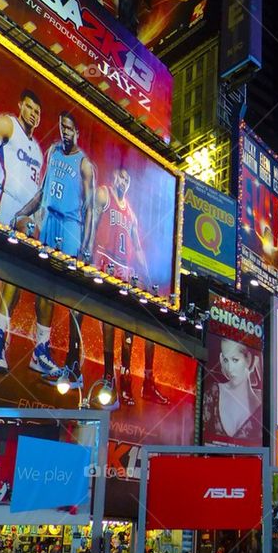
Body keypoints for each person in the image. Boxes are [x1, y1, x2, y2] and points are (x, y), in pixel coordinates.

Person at [0, 89, 62, 379]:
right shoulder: (7, 124)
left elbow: (37, 196)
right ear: (20, 106)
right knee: (14, 275)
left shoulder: (38, 153)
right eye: (29, 108)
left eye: (37, 111)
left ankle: (39, 350)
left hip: (27, 218)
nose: (33, 113)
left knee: (45, 284)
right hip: (5, 207)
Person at [13, 111, 96, 384]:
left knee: (72, 297)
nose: (65, 132)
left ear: (78, 132)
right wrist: (20, 213)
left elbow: (91, 209)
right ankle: (41, 351)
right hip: (49, 223)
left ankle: (74, 362)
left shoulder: (84, 165)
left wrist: (86, 248)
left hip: (71, 229)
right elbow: (43, 193)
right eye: (62, 127)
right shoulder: (53, 153)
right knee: (44, 289)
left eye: (70, 128)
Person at [90, 150, 166, 406]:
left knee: (128, 325)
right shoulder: (104, 193)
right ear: (113, 178)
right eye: (120, 178)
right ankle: (108, 373)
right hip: (104, 261)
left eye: (127, 179)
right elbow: (91, 219)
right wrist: (86, 250)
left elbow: (138, 246)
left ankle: (124, 377)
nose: (122, 182)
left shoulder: (131, 213)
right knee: (108, 320)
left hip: (125, 268)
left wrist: (145, 275)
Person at [204, 338, 263, 440]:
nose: (229, 368)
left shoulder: (262, 408)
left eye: (235, 360)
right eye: (226, 360)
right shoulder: (212, 393)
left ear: (248, 359)